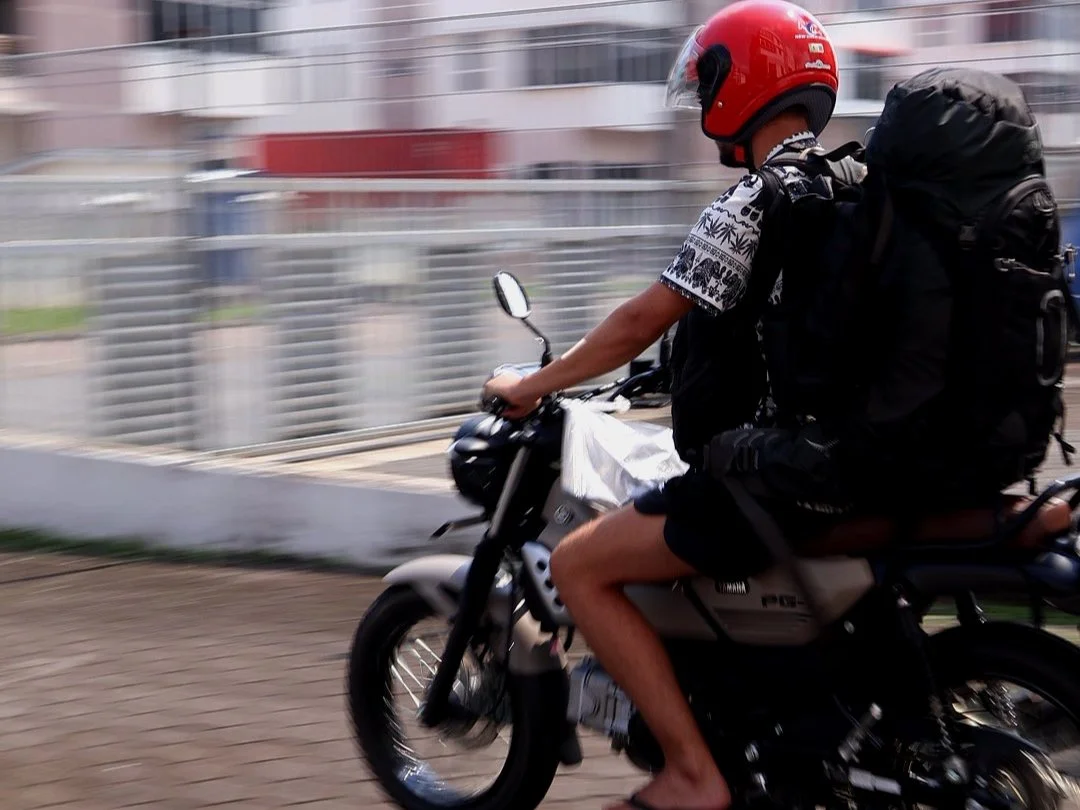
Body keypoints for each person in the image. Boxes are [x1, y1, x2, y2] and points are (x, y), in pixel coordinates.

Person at [481, 2, 844, 808]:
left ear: (743, 82)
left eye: (709, 80)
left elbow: (642, 317)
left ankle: (690, 773)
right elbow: (768, 331)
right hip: (835, 456)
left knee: (580, 564)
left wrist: (533, 385)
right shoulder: (850, 187)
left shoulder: (752, 204)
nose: (704, 100)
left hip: (762, 480)